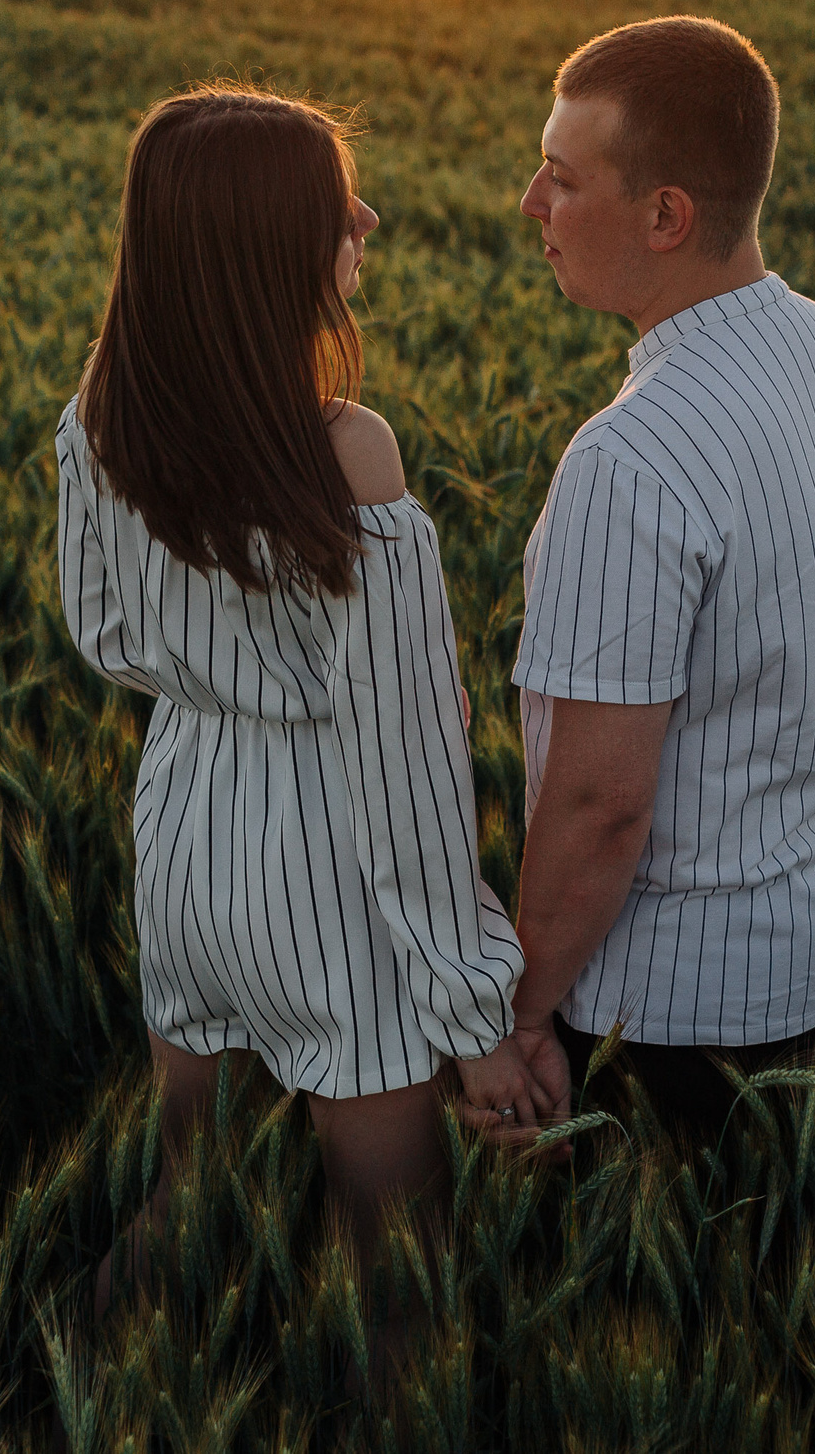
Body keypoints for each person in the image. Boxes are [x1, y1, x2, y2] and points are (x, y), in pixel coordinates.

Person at [53, 85, 549, 1313]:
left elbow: (106, 636)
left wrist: (221, 680)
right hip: (335, 877)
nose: (368, 215)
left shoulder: (98, 425)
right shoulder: (346, 451)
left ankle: (37, 1371)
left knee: (186, 1192)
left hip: (182, 828)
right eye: (336, 208)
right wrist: (479, 1020)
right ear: (263, 248)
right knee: (400, 1259)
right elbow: (405, 760)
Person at [502, 17, 815, 1132]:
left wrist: (524, 1013)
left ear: (664, 215)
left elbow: (598, 804)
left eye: (559, 177)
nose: (530, 206)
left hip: (682, 1020)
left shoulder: (629, 460)